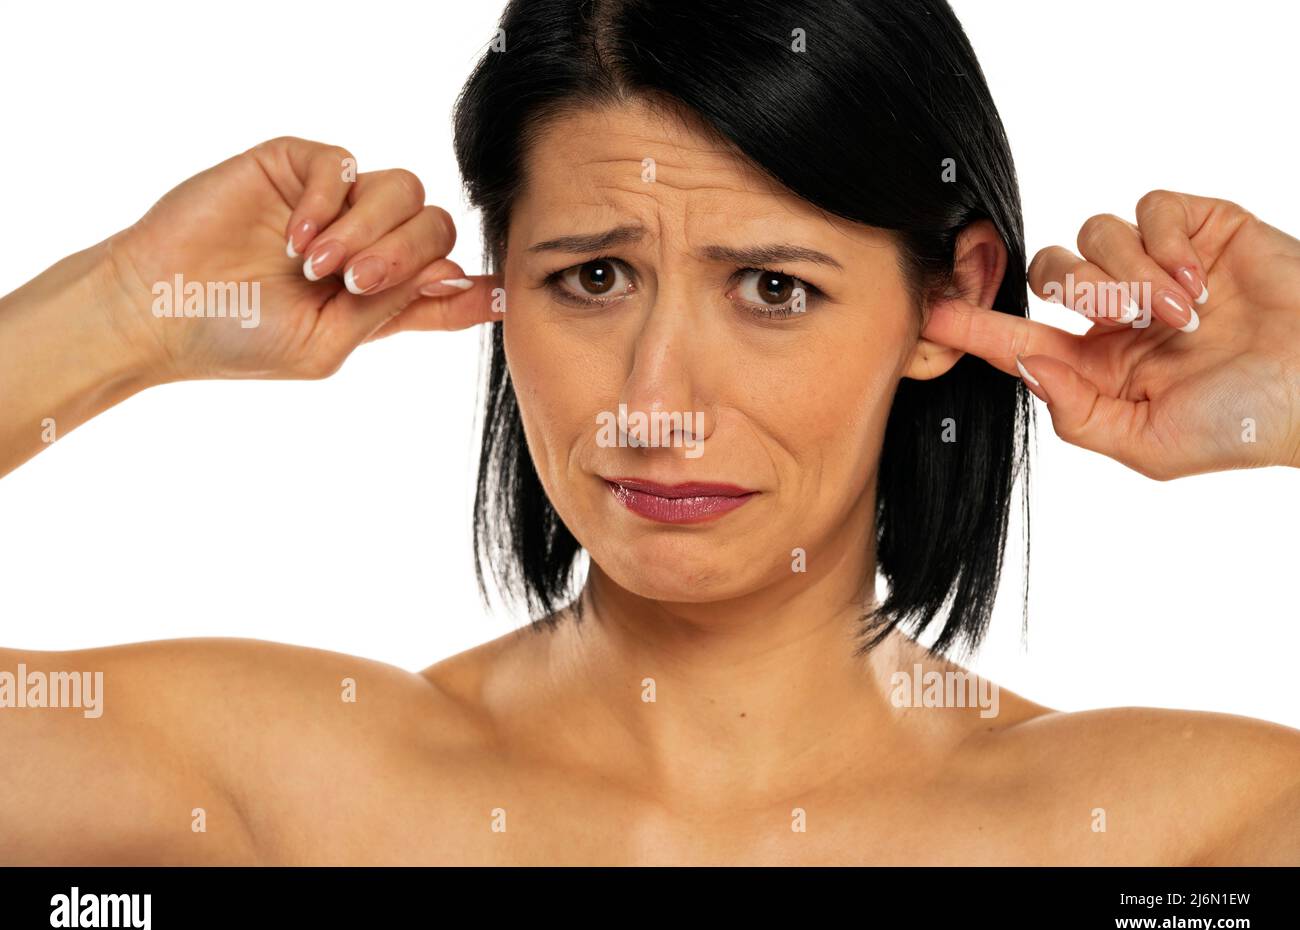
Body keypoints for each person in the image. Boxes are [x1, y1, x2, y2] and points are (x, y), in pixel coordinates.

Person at [2, 0, 1298, 865]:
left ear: (946, 300)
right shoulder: (277, 790)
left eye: (774, 287)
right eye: (594, 278)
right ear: (500, 275)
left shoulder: (1183, 837)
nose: (658, 400)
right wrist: (129, 309)